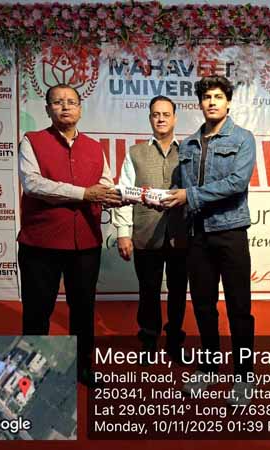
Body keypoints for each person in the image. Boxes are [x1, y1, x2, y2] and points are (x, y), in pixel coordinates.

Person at [17, 83, 121, 385]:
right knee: (38, 311)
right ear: (48, 109)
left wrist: (122, 196)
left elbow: (105, 185)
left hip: (85, 242)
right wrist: (84, 193)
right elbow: (33, 184)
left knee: (83, 310)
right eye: (58, 102)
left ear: (80, 109)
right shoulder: (32, 141)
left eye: (71, 102)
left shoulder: (94, 147)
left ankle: (83, 366)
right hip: (41, 243)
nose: (65, 107)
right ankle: (30, 373)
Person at [162, 76, 256, 405]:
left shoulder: (243, 138)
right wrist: (164, 203)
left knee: (239, 308)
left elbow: (237, 182)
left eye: (218, 96)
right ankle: (210, 367)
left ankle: (244, 375)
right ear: (200, 104)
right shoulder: (188, 145)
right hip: (197, 234)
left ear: (228, 102)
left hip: (230, 232)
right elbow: (180, 192)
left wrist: (190, 196)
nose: (212, 102)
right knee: (203, 306)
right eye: (206, 97)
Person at [112, 95, 188, 361]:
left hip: (181, 235)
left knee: (178, 292)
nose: (161, 119)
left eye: (166, 114)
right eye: (156, 114)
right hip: (145, 233)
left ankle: (175, 339)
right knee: (148, 290)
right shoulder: (135, 153)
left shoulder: (189, 151)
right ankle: (148, 338)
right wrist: (123, 233)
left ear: (175, 118)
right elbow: (124, 194)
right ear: (150, 119)